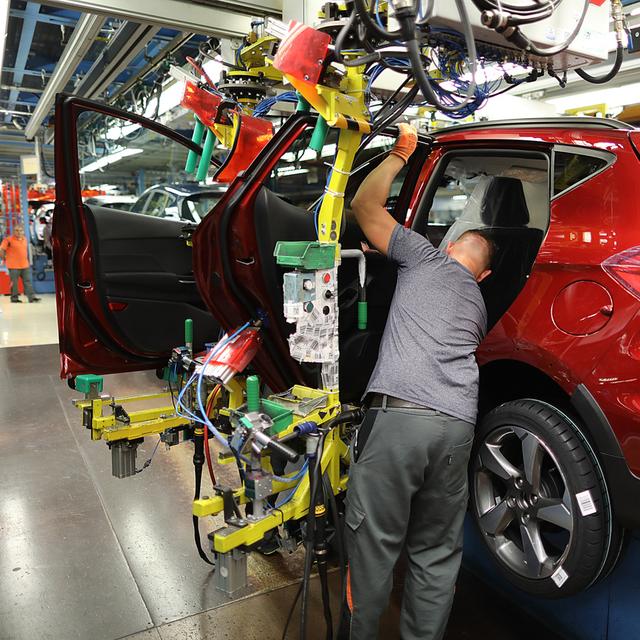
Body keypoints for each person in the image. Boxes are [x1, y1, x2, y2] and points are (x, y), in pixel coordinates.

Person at [344, 124, 495, 640]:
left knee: (374, 544)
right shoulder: (479, 303)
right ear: (486, 276)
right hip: (456, 430)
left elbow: (365, 207)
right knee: (435, 551)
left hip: (400, 419)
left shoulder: (425, 258)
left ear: (446, 245)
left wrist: (397, 156)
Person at [0, 224, 41, 303]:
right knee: (14, 283)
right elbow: (1, 249)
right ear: (13, 232)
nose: (18, 232)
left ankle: (32, 298)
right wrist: (4, 258)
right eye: (16, 230)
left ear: (23, 231)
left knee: (28, 282)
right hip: (13, 266)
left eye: (20, 230)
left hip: (25, 265)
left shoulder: (25, 239)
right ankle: (14, 298)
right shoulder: (8, 240)